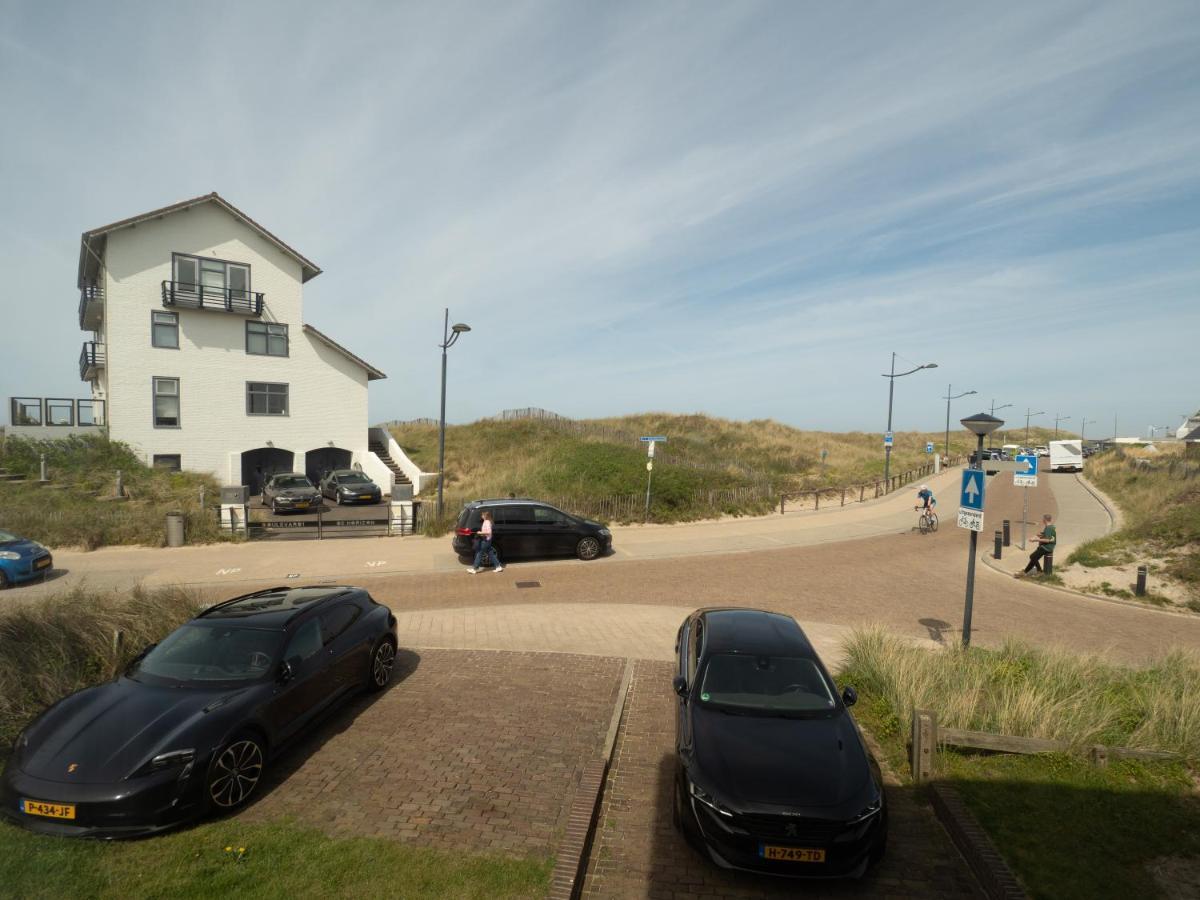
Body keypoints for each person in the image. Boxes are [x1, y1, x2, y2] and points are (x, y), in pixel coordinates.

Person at [467, 510, 503, 574]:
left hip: (486, 540)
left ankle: (474, 569)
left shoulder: (487, 522)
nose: (481, 516)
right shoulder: (486, 521)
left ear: (485, 516)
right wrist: (480, 533)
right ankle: (498, 566)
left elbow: (489, 532)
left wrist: (481, 532)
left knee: (479, 553)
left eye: (482, 515)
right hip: (487, 540)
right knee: (490, 553)